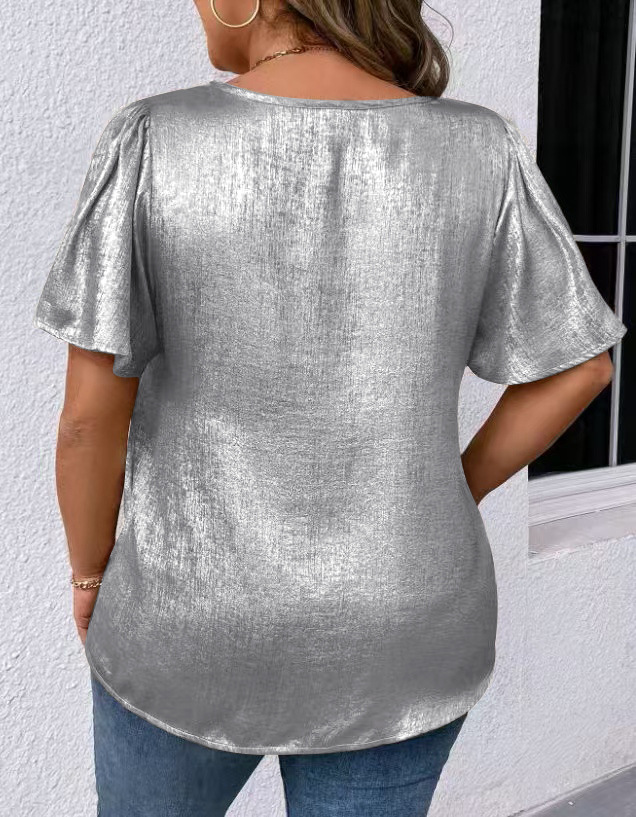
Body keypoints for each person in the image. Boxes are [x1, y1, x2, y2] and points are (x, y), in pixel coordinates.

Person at [33, 1, 627, 815]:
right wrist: (455, 488)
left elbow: (86, 421)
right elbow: (583, 366)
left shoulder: (155, 138)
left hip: (187, 617)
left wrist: (90, 573)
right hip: (403, 625)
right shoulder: (481, 148)